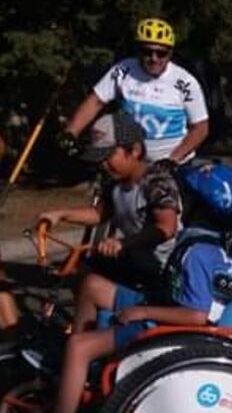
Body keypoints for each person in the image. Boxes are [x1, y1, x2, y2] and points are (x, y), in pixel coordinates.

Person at [4, 168, 232, 413]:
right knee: (91, 286)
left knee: (79, 347)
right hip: (164, 307)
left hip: (166, 326)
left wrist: (142, 310)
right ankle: (75, 377)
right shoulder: (200, 242)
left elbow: (197, 316)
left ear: (198, 206)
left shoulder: (199, 253)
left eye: (185, 198)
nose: (179, 203)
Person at [37, 110, 181, 334]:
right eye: (99, 158)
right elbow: (99, 214)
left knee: (90, 282)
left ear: (134, 150)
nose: (103, 164)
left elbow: (166, 228)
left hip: (160, 269)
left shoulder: (157, 182)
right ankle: (88, 325)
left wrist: (124, 243)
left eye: (107, 156)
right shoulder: (116, 184)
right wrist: (60, 214)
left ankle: (83, 343)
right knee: (77, 266)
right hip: (136, 258)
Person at [58, 18, 209, 168]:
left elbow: (200, 128)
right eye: (147, 52)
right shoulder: (124, 70)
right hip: (131, 164)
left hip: (172, 165)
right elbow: (96, 101)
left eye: (161, 53)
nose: (154, 58)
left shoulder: (185, 82)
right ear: (138, 50)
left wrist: (173, 159)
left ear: (170, 53)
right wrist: (71, 132)